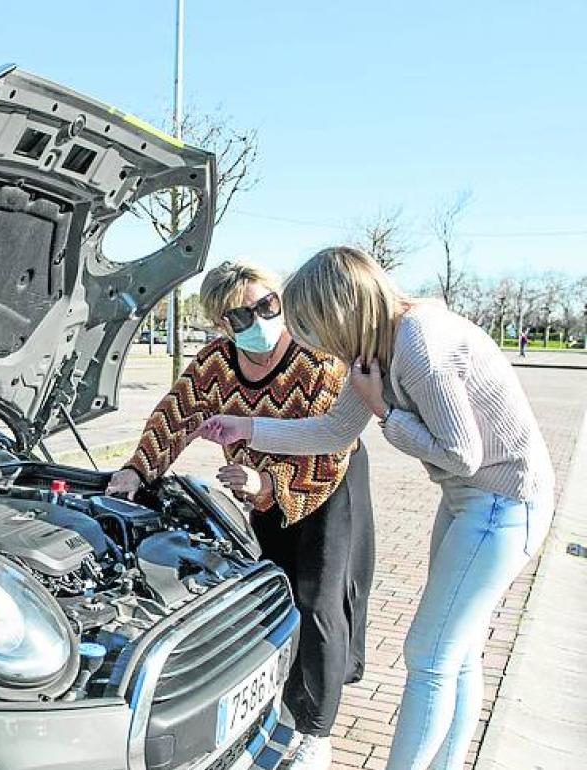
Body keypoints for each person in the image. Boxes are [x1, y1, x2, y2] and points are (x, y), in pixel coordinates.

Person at [191, 247, 553, 770]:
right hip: (470, 500)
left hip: (503, 503)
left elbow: (462, 452)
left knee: (428, 658)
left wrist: (382, 407)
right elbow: (334, 429)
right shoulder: (378, 345)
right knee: (459, 654)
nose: (314, 342)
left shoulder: (419, 344)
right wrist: (246, 427)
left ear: (337, 311)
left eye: (313, 326)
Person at [106, 261, 374, 770]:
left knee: (318, 600)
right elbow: (174, 415)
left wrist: (271, 484)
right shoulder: (216, 362)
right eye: (241, 314)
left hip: (327, 479)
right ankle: (277, 695)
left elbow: (330, 446)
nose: (260, 318)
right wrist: (137, 472)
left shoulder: (315, 360)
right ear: (219, 323)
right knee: (273, 589)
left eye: (267, 305)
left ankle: (316, 733)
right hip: (255, 487)